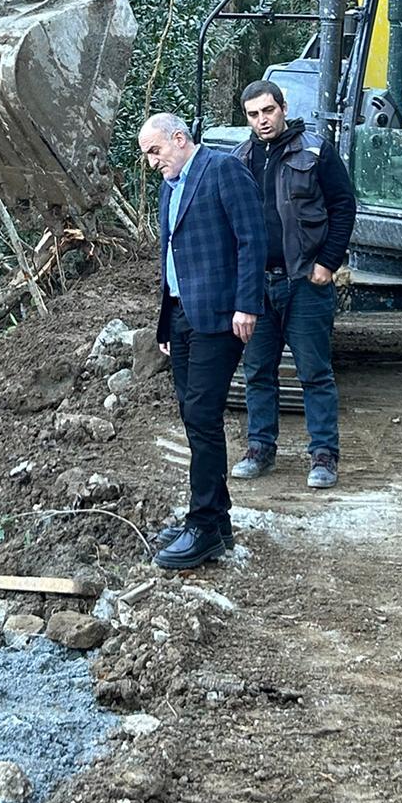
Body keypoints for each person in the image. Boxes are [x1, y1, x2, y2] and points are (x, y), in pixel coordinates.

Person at [139, 111, 265, 570]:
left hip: (221, 316)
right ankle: (219, 520)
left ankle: (204, 526)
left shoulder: (223, 169)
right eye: (147, 155)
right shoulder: (168, 187)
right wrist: (166, 324)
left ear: (178, 138)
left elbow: (252, 240)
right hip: (181, 316)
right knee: (192, 415)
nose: (152, 162)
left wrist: (247, 304)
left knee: (202, 414)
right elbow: (170, 257)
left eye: (156, 151)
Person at [231, 79, 357, 489]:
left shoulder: (316, 151)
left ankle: (323, 456)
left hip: (306, 280)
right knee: (257, 371)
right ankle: (260, 448)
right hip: (258, 286)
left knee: (314, 373)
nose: (262, 120)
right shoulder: (239, 159)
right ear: (246, 118)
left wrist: (328, 262)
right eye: (253, 114)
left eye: (268, 110)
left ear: (283, 108)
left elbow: (343, 206)